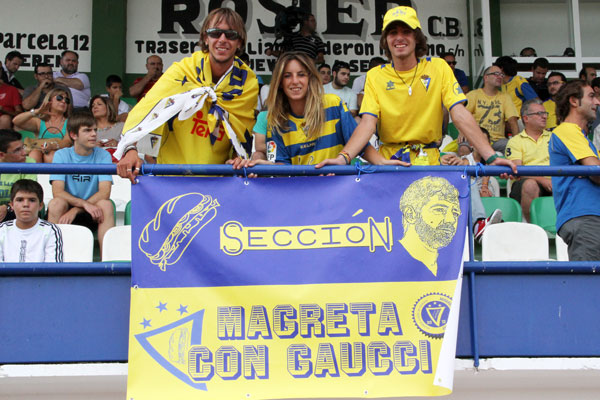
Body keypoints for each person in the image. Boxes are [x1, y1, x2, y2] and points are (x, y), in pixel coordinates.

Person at [316, 6, 516, 173]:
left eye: (406, 32)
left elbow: (459, 113)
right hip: (389, 163)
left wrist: (490, 157)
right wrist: (344, 157)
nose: (399, 38)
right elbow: (368, 123)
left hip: (428, 160)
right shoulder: (376, 75)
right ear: (385, 40)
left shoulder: (438, 67)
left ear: (417, 37)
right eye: (393, 33)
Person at [116, 7, 258, 183]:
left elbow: (242, 130)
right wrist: (130, 149)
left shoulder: (247, 82)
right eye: (216, 33)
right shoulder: (183, 71)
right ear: (206, 38)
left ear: (240, 42)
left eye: (231, 34)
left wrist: (240, 158)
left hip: (218, 181)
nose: (222, 39)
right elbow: (147, 108)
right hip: (171, 177)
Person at [247, 52, 368, 165]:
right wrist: (266, 165)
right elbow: (283, 169)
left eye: (301, 74)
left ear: (310, 78)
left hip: (338, 185)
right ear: (280, 82)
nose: (295, 81)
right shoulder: (276, 121)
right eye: (287, 76)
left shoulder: (333, 104)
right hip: (301, 187)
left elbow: (362, 144)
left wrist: (381, 162)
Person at [47, 112, 114, 254]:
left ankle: (107, 262)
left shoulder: (103, 155)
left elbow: (105, 192)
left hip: (92, 211)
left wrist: (77, 209)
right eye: (87, 130)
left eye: (95, 130)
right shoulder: (61, 154)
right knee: (56, 203)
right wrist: (82, 204)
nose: (94, 134)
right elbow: (57, 192)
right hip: (67, 209)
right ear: (73, 135)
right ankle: (52, 258)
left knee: (106, 205)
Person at [549, 80, 600, 260]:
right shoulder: (568, 130)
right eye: (591, 96)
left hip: (589, 216)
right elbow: (597, 173)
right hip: (586, 216)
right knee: (589, 285)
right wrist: (591, 171)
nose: (597, 102)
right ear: (573, 101)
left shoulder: (582, 137)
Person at [398, 176, 461, 276]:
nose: (451, 220)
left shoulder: (452, 266)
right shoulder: (389, 262)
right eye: (439, 210)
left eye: (455, 213)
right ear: (410, 214)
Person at [505, 99, 552, 221]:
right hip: (527, 183)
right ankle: (533, 228)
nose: (544, 117)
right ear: (526, 118)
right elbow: (517, 170)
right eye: (539, 113)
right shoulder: (515, 141)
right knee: (530, 185)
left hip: (554, 182)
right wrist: (543, 180)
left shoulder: (555, 138)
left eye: (545, 113)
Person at [0, 179, 63, 262]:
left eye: (32, 200)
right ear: (12, 205)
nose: (26, 204)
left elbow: (53, 270)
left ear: (40, 205)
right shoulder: (2, 229)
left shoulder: (51, 230)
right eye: (20, 200)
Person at [465, 65, 519, 152]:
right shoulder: (473, 95)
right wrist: (462, 132)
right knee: (464, 148)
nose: (500, 77)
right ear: (486, 77)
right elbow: (462, 116)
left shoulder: (505, 97)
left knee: (512, 148)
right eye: (496, 74)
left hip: (497, 141)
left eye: (501, 75)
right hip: (475, 138)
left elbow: (513, 121)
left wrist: (517, 143)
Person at [12, 88, 72, 163]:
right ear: (49, 101)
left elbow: (67, 142)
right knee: (34, 154)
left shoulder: (70, 122)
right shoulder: (39, 121)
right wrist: (37, 111)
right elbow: (16, 121)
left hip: (60, 155)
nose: (63, 101)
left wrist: (53, 145)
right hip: (38, 153)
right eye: (59, 98)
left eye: (67, 100)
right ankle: (33, 175)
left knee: (51, 155)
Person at [0, 130, 37, 223]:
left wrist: (7, 207)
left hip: (17, 210)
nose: (24, 153)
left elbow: (27, 194)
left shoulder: (29, 162)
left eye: (23, 147)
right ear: (1, 155)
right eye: (17, 150)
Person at [90, 95, 124, 162]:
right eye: (93, 106)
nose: (95, 107)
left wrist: (118, 144)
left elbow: (131, 146)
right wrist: (92, 146)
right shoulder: (88, 129)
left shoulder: (122, 127)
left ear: (108, 107)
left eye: (99, 104)